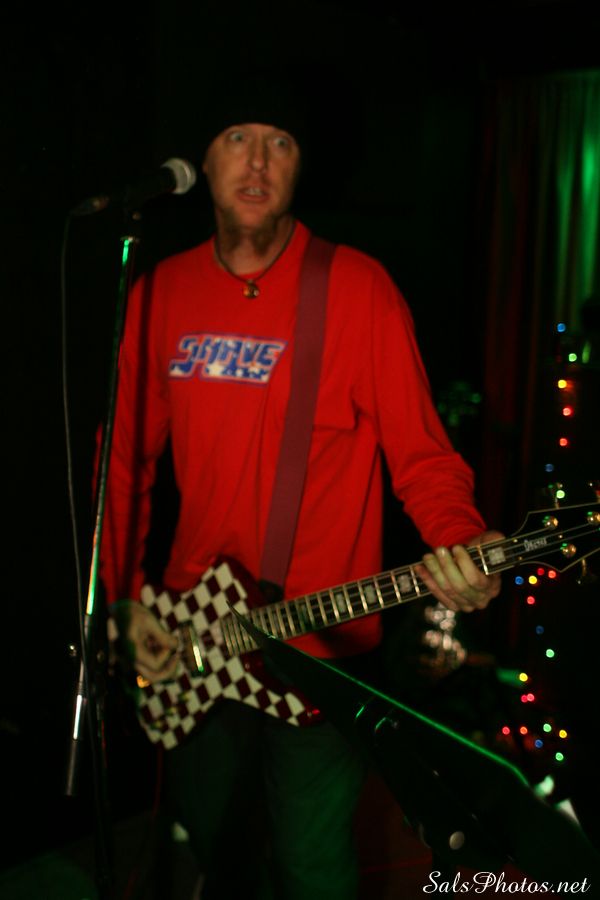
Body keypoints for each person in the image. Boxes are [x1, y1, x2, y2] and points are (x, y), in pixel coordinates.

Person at [100, 78, 502, 900]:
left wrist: (460, 539)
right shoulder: (159, 292)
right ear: (204, 161)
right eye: (237, 138)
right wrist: (124, 597)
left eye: (278, 142)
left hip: (323, 644)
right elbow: (125, 464)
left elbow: (422, 455)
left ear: (300, 164)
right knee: (218, 853)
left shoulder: (356, 288)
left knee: (313, 868)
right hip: (191, 634)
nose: (257, 161)